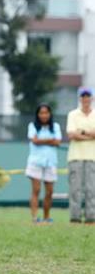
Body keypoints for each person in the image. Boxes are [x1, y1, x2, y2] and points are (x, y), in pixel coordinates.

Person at [25, 104, 62, 223]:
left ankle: (46, 217)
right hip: (35, 162)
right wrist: (50, 140)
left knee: (49, 191)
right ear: (38, 114)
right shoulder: (32, 126)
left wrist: (42, 141)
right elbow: (34, 141)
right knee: (36, 190)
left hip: (50, 162)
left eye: (46, 113)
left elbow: (57, 142)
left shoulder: (55, 126)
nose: (44, 115)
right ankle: (35, 218)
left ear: (50, 114)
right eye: (41, 113)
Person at [66, 88, 95, 223]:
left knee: (92, 189)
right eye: (83, 96)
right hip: (75, 156)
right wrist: (89, 134)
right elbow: (72, 135)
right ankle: (75, 218)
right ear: (79, 99)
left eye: (88, 96)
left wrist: (81, 132)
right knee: (75, 189)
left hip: (92, 157)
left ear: (92, 98)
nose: (85, 99)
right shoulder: (73, 114)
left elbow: (77, 134)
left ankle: (91, 217)